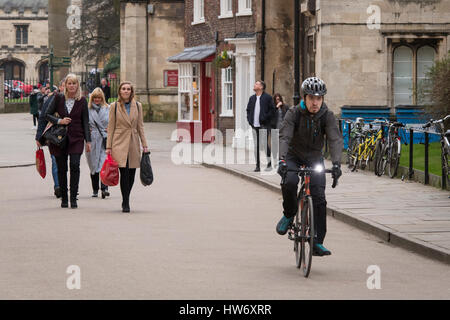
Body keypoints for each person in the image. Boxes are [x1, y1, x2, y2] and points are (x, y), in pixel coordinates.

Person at [276, 77, 343, 256]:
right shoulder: (294, 113)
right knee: (289, 182)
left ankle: (317, 242)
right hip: (293, 155)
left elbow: (335, 139)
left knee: (319, 197)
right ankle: (289, 213)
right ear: (305, 98)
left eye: (319, 98)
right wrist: (282, 160)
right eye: (312, 98)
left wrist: (336, 163)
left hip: (314, 157)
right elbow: (285, 137)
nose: (315, 102)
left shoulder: (326, 115)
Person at [45, 74, 91, 209]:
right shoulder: (58, 98)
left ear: (77, 85)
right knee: (62, 168)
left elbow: (85, 122)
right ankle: (64, 198)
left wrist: (88, 141)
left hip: (77, 137)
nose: (71, 86)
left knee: (75, 166)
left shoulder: (82, 100)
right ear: (65, 85)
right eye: (69, 83)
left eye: (74, 83)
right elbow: (46, 114)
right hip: (60, 138)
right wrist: (59, 121)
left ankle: (73, 198)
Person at [106, 81, 148, 213]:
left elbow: (140, 126)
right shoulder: (114, 106)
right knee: (124, 172)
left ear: (131, 91)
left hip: (134, 142)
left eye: (128, 89)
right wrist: (109, 147)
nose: (125, 91)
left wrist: (145, 145)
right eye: (123, 89)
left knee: (132, 174)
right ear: (119, 91)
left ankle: (126, 197)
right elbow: (110, 127)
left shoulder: (138, 106)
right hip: (119, 142)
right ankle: (126, 201)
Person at [36, 80, 65, 199]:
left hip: (68, 136)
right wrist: (38, 136)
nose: (67, 87)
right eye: (64, 85)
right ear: (60, 87)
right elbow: (43, 118)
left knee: (67, 163)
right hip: (53, 135)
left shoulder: (74, 100)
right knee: (55, 160)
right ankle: (58, 186)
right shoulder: (51, 99)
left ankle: (65, 186)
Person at [85, 87, 110, 199]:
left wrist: (110, 128)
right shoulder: (87, 110)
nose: (97, 100)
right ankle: (95, 189)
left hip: (104, 138)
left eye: (99, 98)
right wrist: (86, 130)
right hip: (92, 139)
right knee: (93, 165)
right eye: (95, 97)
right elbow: (83, 123)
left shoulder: (108, 108)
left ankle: (104, 188)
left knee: (104, 163)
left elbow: (114, 122)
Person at [246, 80, 276, 172]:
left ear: (261, 87)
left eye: (256, 84)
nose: (254, 85)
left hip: (263, 124)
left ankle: (269, 164)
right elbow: (248, 110)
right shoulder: (252, 98)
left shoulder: (267, 98)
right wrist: (250, 121)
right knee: (256, 146)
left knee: (264, 144)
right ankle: (257, 166)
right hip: (254, 125)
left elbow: (272, 110)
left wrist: (265, 118)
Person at [270, 93, 290, 168]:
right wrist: (276, 107)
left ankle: (281, 160)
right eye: (276, 99)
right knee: (275, 146)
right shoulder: (272, 108)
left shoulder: (285, 107)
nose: (278, 101)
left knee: (282, 145)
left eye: (279, 99)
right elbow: (271, 116)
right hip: (275, 128)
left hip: (283, 129)